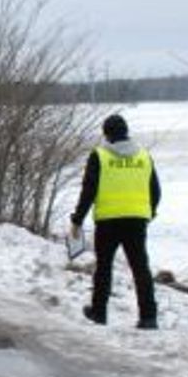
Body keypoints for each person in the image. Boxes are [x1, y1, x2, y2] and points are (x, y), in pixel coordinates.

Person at [69, 113, 162, 329]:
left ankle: (99, 312)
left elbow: (88, 191)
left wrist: (78, 219)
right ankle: (149, 317)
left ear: (106, 134)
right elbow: (156, 191)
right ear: (126, 132)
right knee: (140, 268)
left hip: (108, 221)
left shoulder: (99, 156)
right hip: (137, 220)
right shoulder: (144, 156)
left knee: (104, 267)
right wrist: (150, 213)